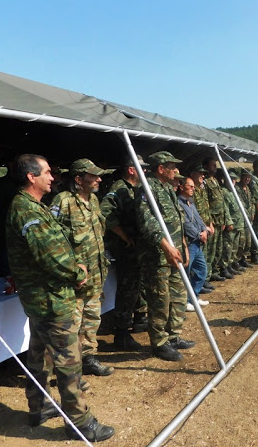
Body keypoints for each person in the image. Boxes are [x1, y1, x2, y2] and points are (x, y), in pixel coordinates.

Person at [6, 154, 114, 441]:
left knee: (40, 356)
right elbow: (51, 255)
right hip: (51, 299)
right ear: (31, 177)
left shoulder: (30, 206)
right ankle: (80, 422)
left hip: (43, 298)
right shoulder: (28, 210)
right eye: (47, 172)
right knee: (68, 361)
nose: (52, 177)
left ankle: (39, 406)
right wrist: (76, 271)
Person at [51, 159, 113, 377]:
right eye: (93, 176)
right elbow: (53, 240)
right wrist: (72, 267)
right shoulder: (63, 201)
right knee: (72, 324)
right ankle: (69, 367)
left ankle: (88, 357)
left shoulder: (94, 200)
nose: (99, 179)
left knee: (92, 318)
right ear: (78, 179)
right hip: (75, 278)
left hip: (96, 274)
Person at [137, 151, 192, 362]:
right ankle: (159, 342)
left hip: (175, 252)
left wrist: (183, 245)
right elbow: (147, 222)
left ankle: (173, 335)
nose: (176, 170)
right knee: (160, 299)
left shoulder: (168, 188)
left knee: (178, 295)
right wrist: (167, 247)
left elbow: (177, 219)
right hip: (158, 255)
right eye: (172, 166)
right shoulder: (147, 188)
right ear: (161, 168)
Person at [100, 155, 148, 349]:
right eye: (141, 168)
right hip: (125, 250)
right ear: (131, 170)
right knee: (127, 291)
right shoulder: (118, 189)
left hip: (134, 249)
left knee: (134, 289)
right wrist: (124, 236)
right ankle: (121, 334)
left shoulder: (132, 189)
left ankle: (131, 324)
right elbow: (104, 213)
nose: (144, 171)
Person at [177, 177, 211, 312]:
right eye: (190, 186)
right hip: (189, 243)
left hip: (196, 243)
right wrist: (199, 234)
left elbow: (198, 218)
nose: (193, 189)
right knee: (185, 273)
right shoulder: (179, 203)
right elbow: (186, 224)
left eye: (193, 186)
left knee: (201, 271)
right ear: (182, 187)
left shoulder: (190, 202)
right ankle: (185, 301)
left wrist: (204, 230)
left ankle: (194, 296)